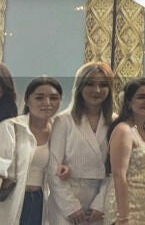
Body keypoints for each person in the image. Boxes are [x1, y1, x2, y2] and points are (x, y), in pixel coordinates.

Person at [47, 61, 115, 225]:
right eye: (90, 84)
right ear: (79, 86)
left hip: (100, 202)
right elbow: (53, 168)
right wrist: (71, 207)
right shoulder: (63, 121)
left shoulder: (115, 121)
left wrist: (100, 205)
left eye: (103, 85)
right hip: (65, 201)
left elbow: (115, 170)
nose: (97, 90)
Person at [0, 76, 61, 225]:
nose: (47, 103)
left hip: (43, 201)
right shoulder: (11, 127)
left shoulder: (60, 130)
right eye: (39, 98)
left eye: (53, 98)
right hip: (13, 198)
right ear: (27, 100)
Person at [103, 78, 145, 225]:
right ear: (128, 102)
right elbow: (118, 175)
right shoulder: (123, 130)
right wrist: (124, 217)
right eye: (141, 97)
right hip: (125, 208)